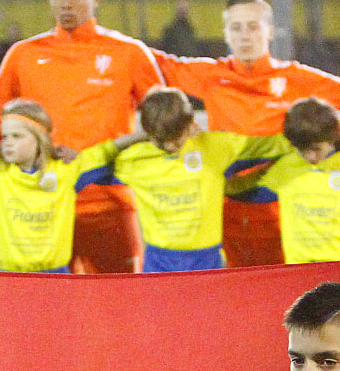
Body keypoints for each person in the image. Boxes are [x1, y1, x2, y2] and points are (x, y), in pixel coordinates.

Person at [0, 0, 164, 274]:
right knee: (46, 315)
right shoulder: (23, 55)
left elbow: (161, 124)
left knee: (120, 312)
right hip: (42, 210)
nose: (66, 3)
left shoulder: (129, 53)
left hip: (107, 209)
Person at [156, 0, 340, 267]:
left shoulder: (294, 78)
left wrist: (335, 138)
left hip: (281, 211)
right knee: (231, 297)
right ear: (226, 34)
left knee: (284, 295)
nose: (245, 36)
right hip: (222, 210)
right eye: (236, 28)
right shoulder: (212, 75)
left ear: (269, 31)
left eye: (253, 27)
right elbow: (148, 63)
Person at [0, 99, 131, 272]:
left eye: (17, 136)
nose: (7, 142)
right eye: (4, 137)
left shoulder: (65, 171)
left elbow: (106, 151)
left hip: (56, 278)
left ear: (39, 139)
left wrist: (144, 135)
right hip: (12, 280)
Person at [110, 87, 289, 272]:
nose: (169, 145)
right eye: (161, 140)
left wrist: (310, 137)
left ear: (189, 124)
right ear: (148, 133)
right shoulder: (135, 158)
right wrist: (137, 137)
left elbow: (271, 146)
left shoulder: (215, 146)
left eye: (176, 138)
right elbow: (92, 161)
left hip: (206, 258)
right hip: (158, 260)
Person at [245, 98, 340, 265]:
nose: (310, 156)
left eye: (316, 149)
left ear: (331, 140)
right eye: (302, 150)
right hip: (299, 267)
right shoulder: (286, 165)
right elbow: (242, 191)